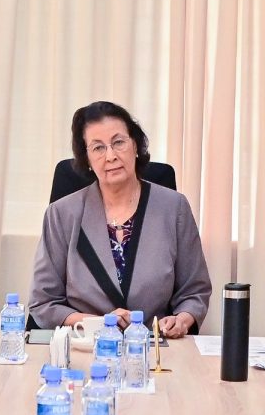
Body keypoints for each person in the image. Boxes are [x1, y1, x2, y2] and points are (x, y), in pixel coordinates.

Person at [30, 101, 210, 337]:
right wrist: (99, 323)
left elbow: (194, 291)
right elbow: (44, 302)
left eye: (118, 142)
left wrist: (182, 320)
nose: (111, 156)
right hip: (87, 345)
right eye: (98, 148)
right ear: (87, 159)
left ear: (135, 145)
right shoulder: (61, 214)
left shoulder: (174, 207)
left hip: (154, 345)